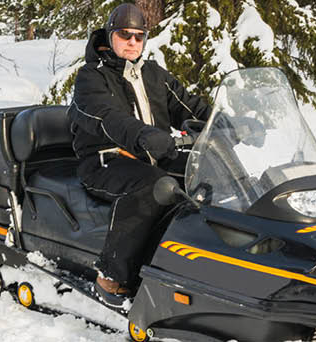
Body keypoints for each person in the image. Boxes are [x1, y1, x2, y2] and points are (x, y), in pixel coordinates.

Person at [68, 3, 213, 306]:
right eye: (125, 35)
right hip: (105, 161)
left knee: (209, 170)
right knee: (152, 185)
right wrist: (144, 135)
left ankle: (215, 259)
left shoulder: (152, 73)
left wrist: (228, 121)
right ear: (111, 35)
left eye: (139, 36)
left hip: (152, 156)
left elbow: (189, 106)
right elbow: (106, 116)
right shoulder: (90, 78)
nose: (133, 42)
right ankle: (111, 276)